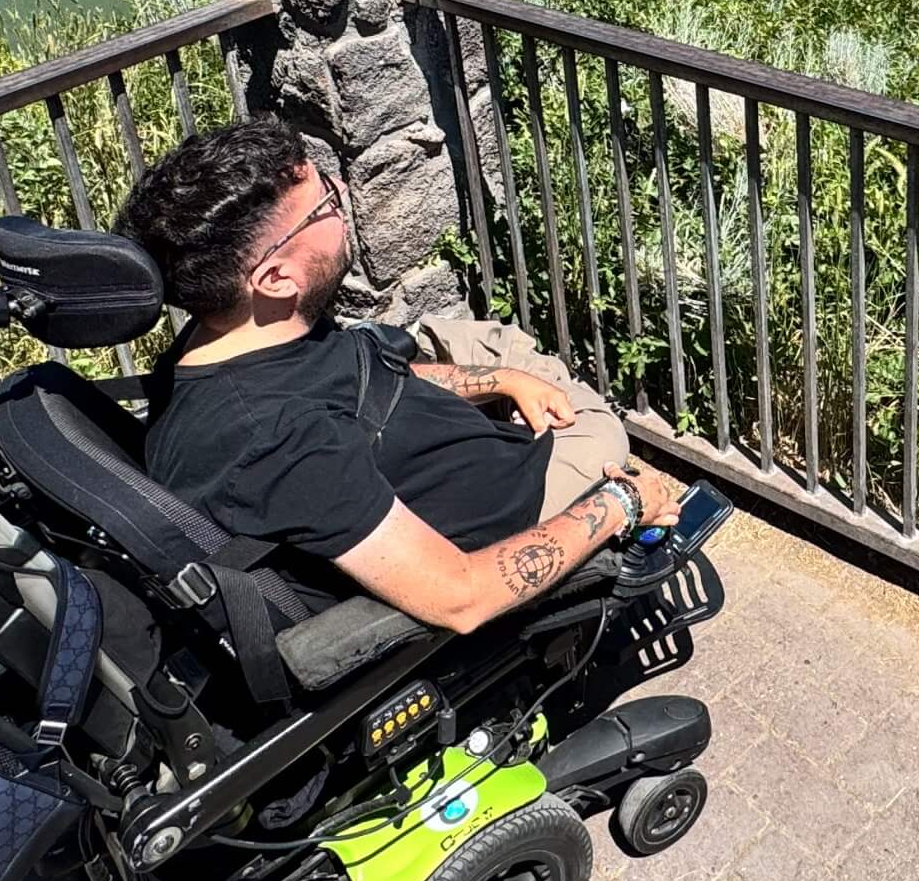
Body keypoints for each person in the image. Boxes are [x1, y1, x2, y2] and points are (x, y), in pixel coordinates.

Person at [112, 118, 684, 632]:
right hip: (516, 497)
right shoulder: (286, 447)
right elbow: (461, 597)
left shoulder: (219, 339)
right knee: (599, 425)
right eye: (324, 208)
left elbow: (358, 379)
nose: (342, 201)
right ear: (276, 279)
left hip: (416, 421)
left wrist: (500, 382)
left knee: (495, 350)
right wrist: (624, 501)